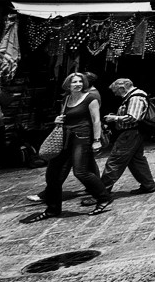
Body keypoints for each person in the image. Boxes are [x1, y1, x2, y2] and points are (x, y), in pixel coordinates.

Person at [25, 73, 112, 221]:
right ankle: (52, 209)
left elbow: (96, 121)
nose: (78, 84)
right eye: (74, 82)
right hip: (65, 137)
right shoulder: (66, 99)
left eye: (80, 81)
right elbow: (64, 118)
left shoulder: (91, 98)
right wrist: (58, 120)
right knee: (52, 174)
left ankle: (104, 197)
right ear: (68, 85)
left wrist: (97, 140)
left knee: (81, 171)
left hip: (82, 138)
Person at [81, 78, 155, 205]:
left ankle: (101, 193)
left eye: (116, 91)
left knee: (114, 162)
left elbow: (133, 117)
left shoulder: (135, 97)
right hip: (133, 134)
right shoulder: (133, 96)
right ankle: (148, 185)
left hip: (130, 134)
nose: (115, 94)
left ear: (122, 88)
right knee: (137, 161)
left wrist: (114, 118)